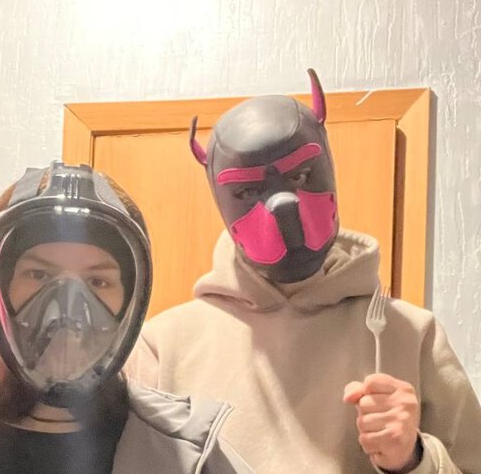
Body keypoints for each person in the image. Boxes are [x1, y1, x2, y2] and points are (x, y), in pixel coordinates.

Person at [125, 70, 481, 473]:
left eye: (299, 175)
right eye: (247, 190)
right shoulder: (163, 346)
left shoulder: (411, 334)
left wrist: (415, 459)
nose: (283, 206)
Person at [0, 162, 253, 474]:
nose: (67, 309)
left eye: (97, 281)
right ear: (0, 290)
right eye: (39, 275)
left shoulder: (192, 458)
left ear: (130, 301)